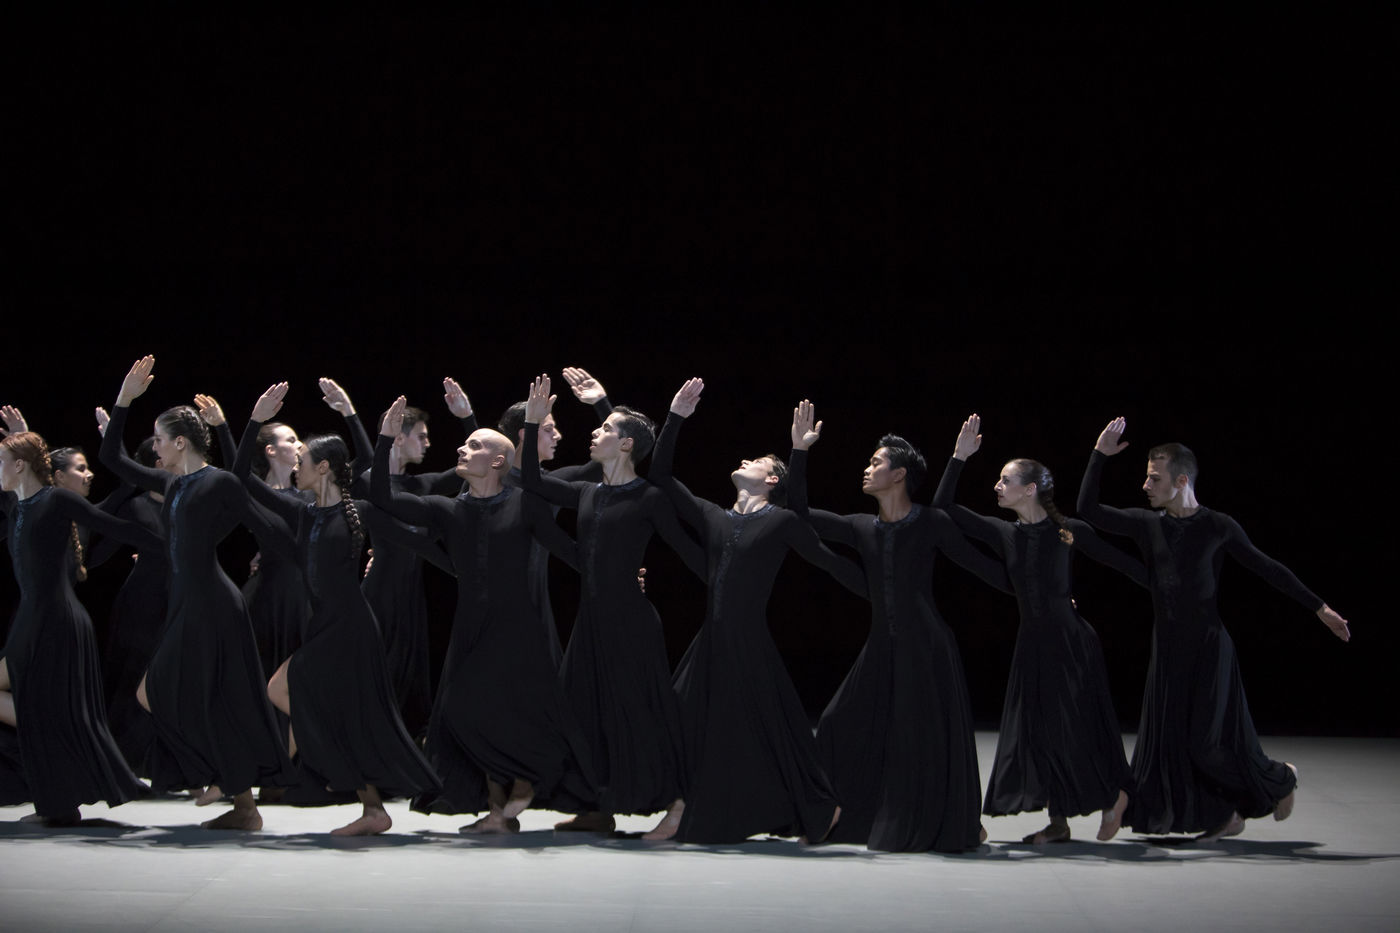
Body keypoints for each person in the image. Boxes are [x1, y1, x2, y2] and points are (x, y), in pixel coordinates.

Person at [1077, 417, 1351, 840]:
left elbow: (1268, 568)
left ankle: (1281, 777)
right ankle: (1224, 817)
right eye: (1146, 477)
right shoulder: (1148, 524)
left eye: (1154, 478)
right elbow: (1088, 510)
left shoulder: (1218, 526)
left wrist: (1320, 607)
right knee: (1171, 746)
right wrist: (1098, 455)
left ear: (1181, 480)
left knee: (1205, 744)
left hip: (1209, 648)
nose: (1145, 485)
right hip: (1168, 651)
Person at [649, 379, 866, 845]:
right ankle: (683, 806)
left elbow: (828, 560)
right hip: (711, 642)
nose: (745, 460)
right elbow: (662, 476)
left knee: (773, 728)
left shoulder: (781, 521)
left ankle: (819, 806)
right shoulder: (714, 516)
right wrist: (676, 418)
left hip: (747, 644)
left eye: (758, 461)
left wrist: (885, 594)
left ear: (772, 481)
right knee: (678, 718)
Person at [786, 402, 1009, 852]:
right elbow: (799, 513)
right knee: (835, 722)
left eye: (876, 463)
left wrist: (1043, 595)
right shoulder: (861, 527)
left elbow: (980, 566)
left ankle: (955, 820)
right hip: (881, 646)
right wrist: (799, 451)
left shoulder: (931, 523)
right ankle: (834, 813)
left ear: (899, 474)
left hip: (926, 647)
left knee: (921, 738)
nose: (867, 469)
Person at [370, 393, 596, 834]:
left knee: (515, 710)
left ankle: (526, 781)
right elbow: (381, 496)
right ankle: (496, 809)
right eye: (465, 443)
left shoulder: (526, 503)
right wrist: (382, 440)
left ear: (497, 462)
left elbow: (569, 550)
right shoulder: (448, 509)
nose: (461, 448)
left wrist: (616, 574)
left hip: (519, 626)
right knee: (461, 712)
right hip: (470, 626)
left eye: (473, 446)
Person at [231, 383, 441, 835]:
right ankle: (368, 804)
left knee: (285, 690)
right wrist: (253, 421)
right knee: (323, 707)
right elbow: (241, 476)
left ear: (323, 467)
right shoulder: (303, 511)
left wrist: (468, 570)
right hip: (324, 626)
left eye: (303, 460)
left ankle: (349, 785)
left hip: (350, 627)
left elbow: (416, 541)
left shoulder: (359, 511)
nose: (296, 465)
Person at [98, 355, 293, 831]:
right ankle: (240, 801)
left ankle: (233, 791)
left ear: (180, 442)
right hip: (188, 601)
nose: (155, 447)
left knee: (168, 693)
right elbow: (111, 459)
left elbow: (264, 519)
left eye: (160, 439)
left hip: (212, 603)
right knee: (172, 696)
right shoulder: (172, 483)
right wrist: (123, 400)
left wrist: (245, 424)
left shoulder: (217, 482)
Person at [931, 414, 1142, 844]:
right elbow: (943, 508)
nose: (997, 486)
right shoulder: (1005, 533)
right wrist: (958, 457)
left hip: (1071, 643)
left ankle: (1115, 794)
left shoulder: (1067, 532)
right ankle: (1059, 823)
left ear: (1029, 490)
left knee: (1075, 728)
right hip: (1032, 644)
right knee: (1040, 734)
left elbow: (1123, 563)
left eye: (1005, 480)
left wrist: (1174, 590)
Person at [520, 376, 704, 838]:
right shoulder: (588, 492)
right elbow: (531, 480)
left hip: (630, 623)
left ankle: (678, 804)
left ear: (625, 445)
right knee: (583, 713)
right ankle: (597, 807)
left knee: (640, 713)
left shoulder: (649, 497)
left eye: (605, 430)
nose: (595, 432)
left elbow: (686, 548)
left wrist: (726, 585)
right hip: (590, 623)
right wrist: (531, 421)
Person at [0, 428, 159, 824]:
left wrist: (177, 548)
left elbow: (115, 526)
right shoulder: (18, 508)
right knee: (39, 710)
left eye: (1, 462)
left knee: (51, 709)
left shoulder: (56, 500)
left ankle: (62, 803)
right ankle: (55, 802)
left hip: (57, 621)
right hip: (30, 620)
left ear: (18, 465)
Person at [338, 378, 478, 738]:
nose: (428, 443)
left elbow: (476, 469)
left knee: (409, 681)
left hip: (411, 596)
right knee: (372, 672)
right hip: (379, 592)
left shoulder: (422, 485)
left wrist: (467, 417)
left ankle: (402, 749)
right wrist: (350, 413)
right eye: (421, 436)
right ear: (399, 438)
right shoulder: (366, 481)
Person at [499, 366, 617, 668]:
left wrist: (601, 403)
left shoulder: (550, 484)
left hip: (534, 599)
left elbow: (610, 460)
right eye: (549, 429)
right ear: (526, 433)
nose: (559, 435)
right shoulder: (488, 480)